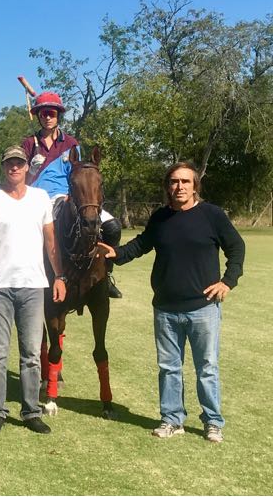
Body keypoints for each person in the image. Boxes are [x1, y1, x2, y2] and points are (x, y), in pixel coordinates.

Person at [98, 161, 245, 444]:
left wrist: (228, 281)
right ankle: (172, 419)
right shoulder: (161, 217)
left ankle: (213, 422)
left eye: (185, 182)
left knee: (207, 368)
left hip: (203, 308)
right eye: (174, 182)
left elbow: (236, 247)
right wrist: (116, 253)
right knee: (169, 368)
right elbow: (141, 244)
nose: (179, 187)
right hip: (165, 308)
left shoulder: (212, 215)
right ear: (168, 186)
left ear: (195, 186)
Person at [0, 145, 66, 434]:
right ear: (4, 167)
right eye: (9, 164)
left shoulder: (41, 197)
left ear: (27, 167)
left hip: (33, 286)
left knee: (31, 354)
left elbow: (51, 241)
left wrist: (59, 277)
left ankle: (31, 412)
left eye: (19, 163)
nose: (14, 168)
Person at [21, 91, 124, 298]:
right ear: (38, 116)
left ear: (58, 115)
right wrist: (31, 170)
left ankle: (107, 275)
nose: (47, 116)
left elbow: (78, 173)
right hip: (36, 199)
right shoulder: (29, 144)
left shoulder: (71, 143)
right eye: (43, 113)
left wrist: (73, 196)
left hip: (68, 196)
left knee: (112, 226)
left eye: (51, 112)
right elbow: (18, 177)